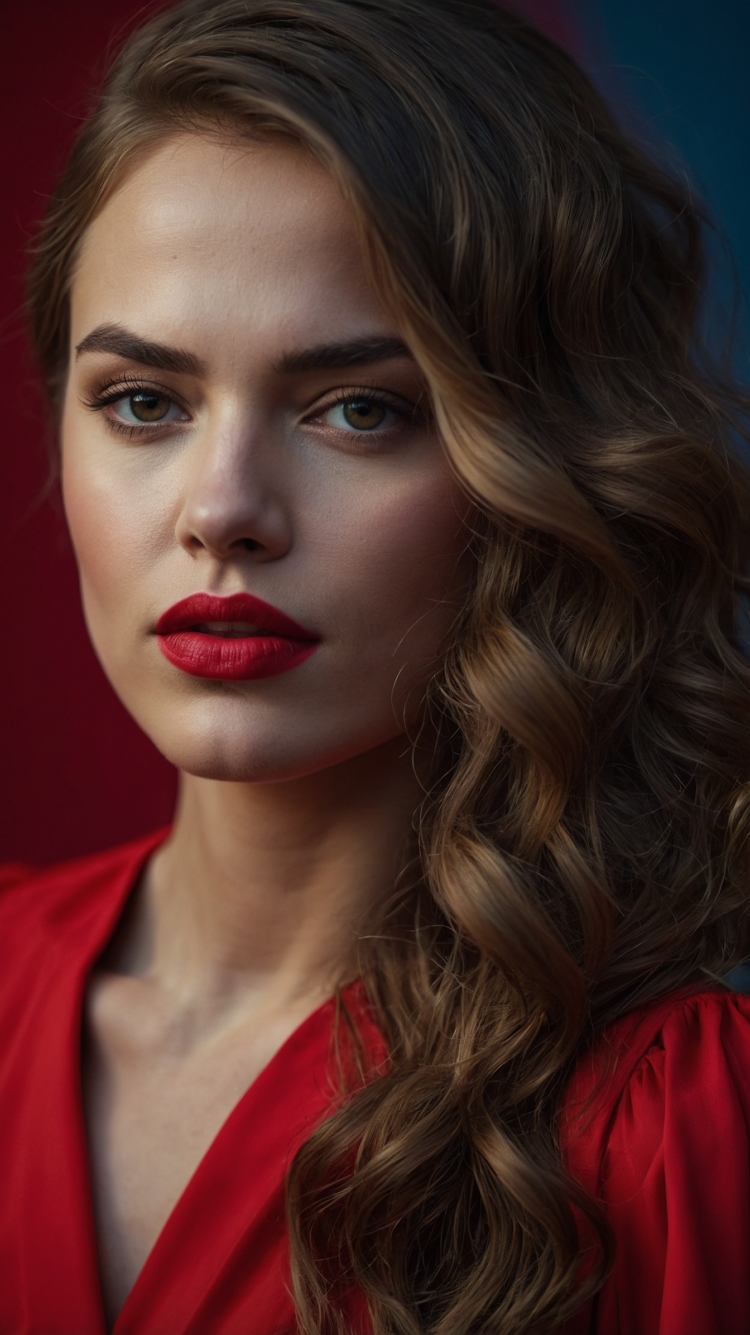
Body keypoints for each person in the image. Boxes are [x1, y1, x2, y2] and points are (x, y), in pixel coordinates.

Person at [2, 1, 749, 1331]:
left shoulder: (666, 1121)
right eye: (144, 402)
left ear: (537, 461)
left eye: (359, 409)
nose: (223, 510)